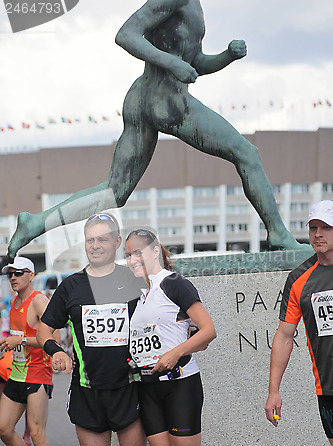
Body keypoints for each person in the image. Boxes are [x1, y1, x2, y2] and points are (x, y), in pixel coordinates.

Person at [7, 0, 304, 261]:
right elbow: (126, 35)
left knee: (115, 190)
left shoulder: (194, 7)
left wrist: (226, 56)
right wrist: (173, 64)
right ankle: (277, 233)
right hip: (167, 98)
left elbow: (196, 63)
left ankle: (35, 224)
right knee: (247, 154)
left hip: (142, 97)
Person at [37, 213, 152, 446]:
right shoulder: (71, 286)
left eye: (102, 239)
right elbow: (44, 328)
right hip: (87, 390)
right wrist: (55, 351)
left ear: (116, 242)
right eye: (90, 239)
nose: (95, 245)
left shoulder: (134, 279)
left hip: (128, 386)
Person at [125, 229, 216, 446]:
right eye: (128, 255)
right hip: (148, 388)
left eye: (137, 252)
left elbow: (208, 330)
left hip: (180, 384)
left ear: (155, 251)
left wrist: (175, 353)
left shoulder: (174, 283)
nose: (132, 260)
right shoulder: (136, 297)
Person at [265, 199, 333, 446]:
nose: (318, 234)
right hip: (327, 388)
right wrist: (274, 390)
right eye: (313, 228)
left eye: (325, 228)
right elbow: (284, 336)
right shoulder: (298, 280)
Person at [0, 256, 57, 446]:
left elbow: (52, 336)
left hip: (38, 374)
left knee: (36, 433)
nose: (13, 277)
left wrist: (20, 340)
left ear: (31, 275)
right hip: (18, 372)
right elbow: (16, 336)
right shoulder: (13, 301)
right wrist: (8, 344)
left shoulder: (38, 301)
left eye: (19, 273)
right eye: (10, 273)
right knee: (3, 428)